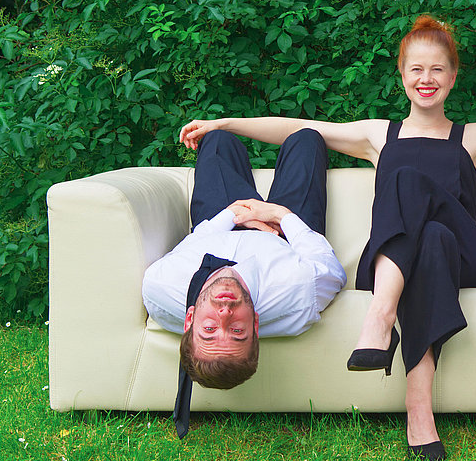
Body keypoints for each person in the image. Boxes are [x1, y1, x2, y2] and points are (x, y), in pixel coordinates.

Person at [178, 15, 476, 459]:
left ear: (453, 78)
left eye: (437, 70)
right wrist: (225, 123)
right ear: (402, 76)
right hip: (397, 255)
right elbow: (300, 128)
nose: (426, 79)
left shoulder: (474, 138)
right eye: (416, 69)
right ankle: (419, 407)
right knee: (428, 232)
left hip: (468, 259)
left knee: (412, 188)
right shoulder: (378, 135)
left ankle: (380, 315)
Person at [142, 128, 346, 439]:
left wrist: (235, 215)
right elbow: (327, 264)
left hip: (220, 226)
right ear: (256, 325)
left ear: (190, 318)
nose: (224, 313)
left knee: (218, 141)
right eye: (236, 331)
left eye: (209, 330)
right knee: (306, 140)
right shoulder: (296, 290)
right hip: (284, 237)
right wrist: (278, 216)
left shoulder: (161, 287)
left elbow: (191, 248)